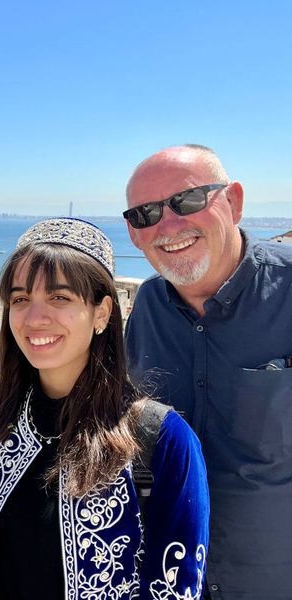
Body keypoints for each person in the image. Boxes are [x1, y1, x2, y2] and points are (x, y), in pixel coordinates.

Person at [0, 218, 209, 599]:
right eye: (20, 299)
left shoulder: (160, 439)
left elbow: (174, 588)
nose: (34, 318)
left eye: (60, 297)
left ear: (101, 313)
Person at [123, 144, 292, 599]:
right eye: (146, 214)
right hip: (169, 581)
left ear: (233, 201)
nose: (168, 225)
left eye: (188, 201)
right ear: (134, 233)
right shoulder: (147, 309)